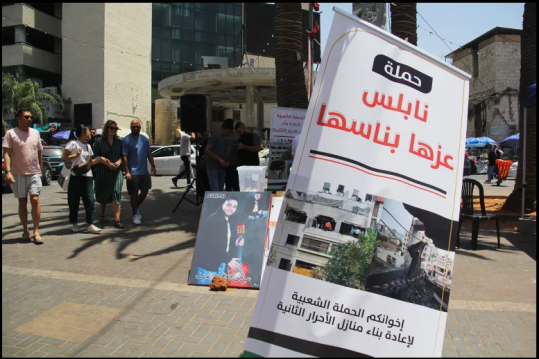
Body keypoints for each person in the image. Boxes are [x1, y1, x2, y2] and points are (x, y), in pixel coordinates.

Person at [2, 109, 45, 244]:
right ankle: (25, 231)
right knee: (22, 201)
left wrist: (41, 170)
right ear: (18, 118)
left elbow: (39, 153)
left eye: (31, 117)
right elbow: (7, 154)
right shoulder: (10, 133)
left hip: (34, 172)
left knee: (35, 199)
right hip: (18, 173)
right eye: (26, 117)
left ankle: (36, 231)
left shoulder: (35, 133)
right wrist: (8, 172)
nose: (29, 119)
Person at [61, 125, 103, 233]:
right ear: (84, 132)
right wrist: (75, 155)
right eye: (89, 131)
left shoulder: (88, 146)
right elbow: (63, 158)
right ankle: (74, 223)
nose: (91, 133)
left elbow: (90, 162)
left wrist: (99, 159)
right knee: (74, 201)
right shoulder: (73, 144)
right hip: (75, 177)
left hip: (87, 177)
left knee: (90, 201)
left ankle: (90, 224)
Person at [195, 196, 244, 274]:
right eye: (229, 205)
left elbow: (224, 243)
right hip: (208, 267)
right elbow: (213, 244)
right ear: (223, 204)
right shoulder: (213, 220)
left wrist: (235, 243)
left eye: (234, 207)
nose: (231, 209)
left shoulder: (229, 220)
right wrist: (228, 260)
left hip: (220, 265)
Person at [122, 119, 156, 224]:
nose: (135, 128)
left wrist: (153, 165)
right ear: (131, 128)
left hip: (144, 171)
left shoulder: (144, 139)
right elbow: (124, 157)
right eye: (133, 127)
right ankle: (135, 214)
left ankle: (136, 207)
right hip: (133, 172)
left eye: (137, 127)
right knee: (134, 193)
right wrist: (127, 171)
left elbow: (149, 153)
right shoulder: (126, 140)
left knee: (145, 191)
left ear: (140, 128)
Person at [93, 120, 125, 229]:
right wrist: (106, 162)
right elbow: (94, 157)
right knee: (104, 193)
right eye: (112, 128)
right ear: (106, 129)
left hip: (117, 171)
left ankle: (117, 220)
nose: (114, 131)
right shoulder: (99, 142)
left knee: (116, 192)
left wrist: (118, 162)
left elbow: (123, 156)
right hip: (103, 171)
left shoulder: (119, 142)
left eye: (116, 129)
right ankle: (102, 214)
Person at [205, 119, 233, 191]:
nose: (229, 133)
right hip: (213, 167)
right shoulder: (214, 136)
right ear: (223, 129)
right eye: (228, 131)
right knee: (215, 190)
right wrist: (219, 159)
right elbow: (207, 150)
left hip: (222, 168)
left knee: (220, 190)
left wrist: (226, 161)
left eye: (230, 132)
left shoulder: (226, 139)